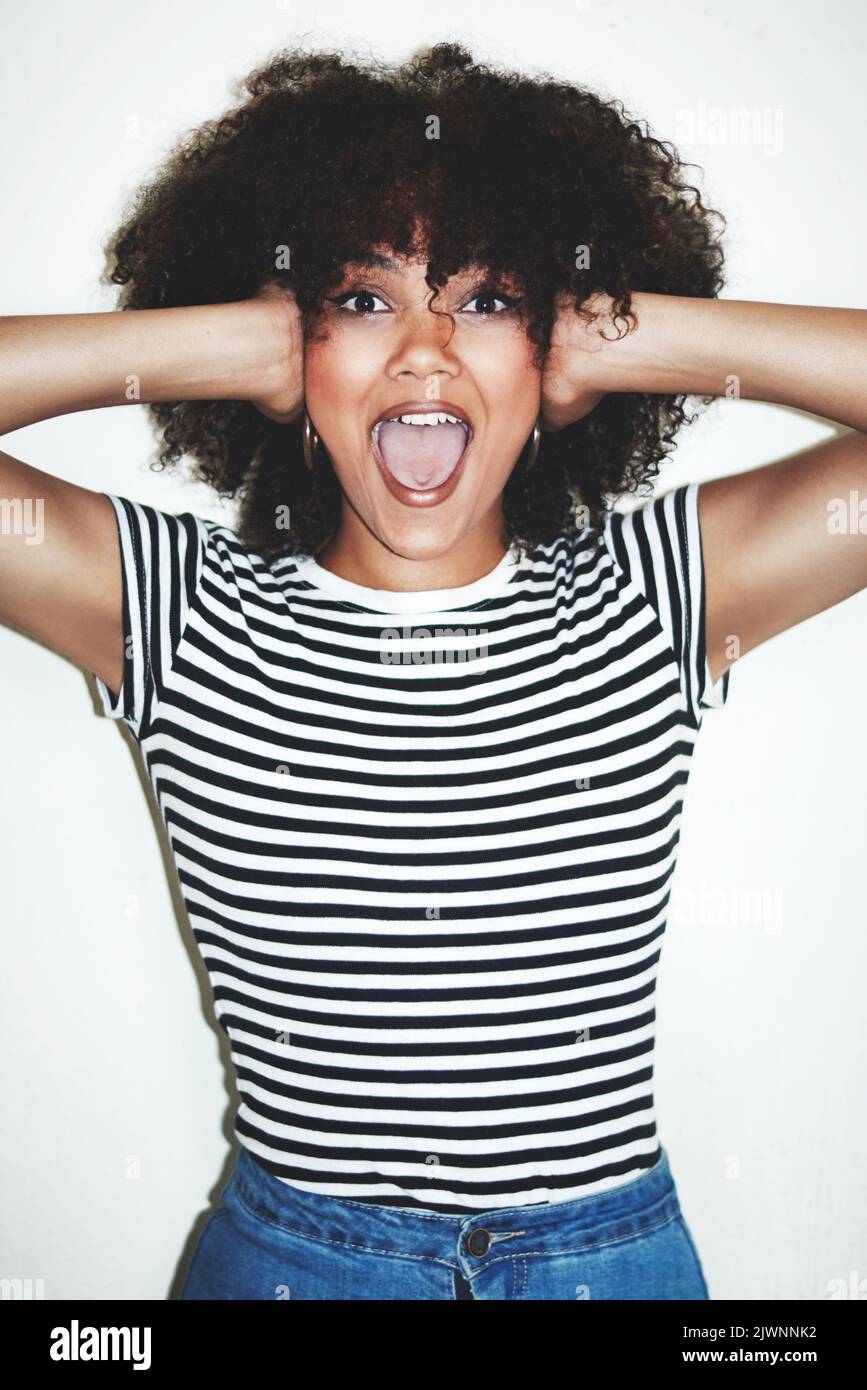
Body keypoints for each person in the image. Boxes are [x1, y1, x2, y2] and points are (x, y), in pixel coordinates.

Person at [2, 43, 864, 1301]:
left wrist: (626, 331)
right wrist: (215, 344)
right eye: (361, 300)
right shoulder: (177, 610)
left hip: (602, 1265)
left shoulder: (657, 591)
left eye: (485, 300)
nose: (421, 351)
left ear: (546, 351)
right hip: (295, 1263)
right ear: (301, 360)